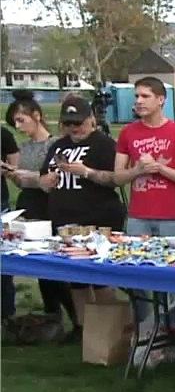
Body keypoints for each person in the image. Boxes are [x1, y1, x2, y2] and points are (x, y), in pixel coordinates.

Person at [38, 96, 127, 340]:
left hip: (98, 217)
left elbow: (116, 179)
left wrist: (86, 172)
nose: (73, 128)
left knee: (100, 278)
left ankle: (108, 330)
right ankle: (83, 329)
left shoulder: (104, 144)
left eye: (78, 123)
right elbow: (43, 178)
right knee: (76, 280)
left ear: (91, 119)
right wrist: (46, 181)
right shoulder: (58, 145)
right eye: (68, 124)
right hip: (65, 222)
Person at [3, 94, 75, 328]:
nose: (18, 126)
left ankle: (76, 317)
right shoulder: (24, 147)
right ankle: (52, 315)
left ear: (36, 116)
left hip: (50, 206)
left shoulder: (55, 144)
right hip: (29, 205)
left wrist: (29, 176)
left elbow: (55, 179)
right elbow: (23, 181)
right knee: (38, 266)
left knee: (53, 266)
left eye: (21, 120)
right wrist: (13, 174)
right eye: (15, 122)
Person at [112, 76, 175, 237]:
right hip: (137, 217)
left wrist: (159, 168)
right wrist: (137, 170)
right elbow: (118, 178)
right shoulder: (127, 132)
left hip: (170, 217)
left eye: (145, 96)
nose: (139, 101)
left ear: (160, 100)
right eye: (136, 96)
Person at [1, 123, 18, 326]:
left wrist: (6, 170)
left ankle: (6, 313)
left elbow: (15, 169)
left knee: (3, 260)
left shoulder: (3, 134)